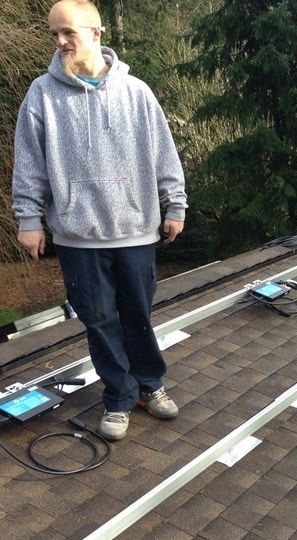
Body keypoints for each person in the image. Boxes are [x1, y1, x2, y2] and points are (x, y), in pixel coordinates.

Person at [12, 0, 187, 441]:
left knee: (138, 315)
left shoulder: (136, 92)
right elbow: (29, 162)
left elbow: (164, 153)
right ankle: (119, 396)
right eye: (54, 33)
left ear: (97, 33)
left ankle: (151, 385)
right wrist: (29, 217)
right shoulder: (42, 94)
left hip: (134, 227)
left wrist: (175, 204)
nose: (60, 41)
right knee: (100, 321)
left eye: (68, 32)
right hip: (77, 233)